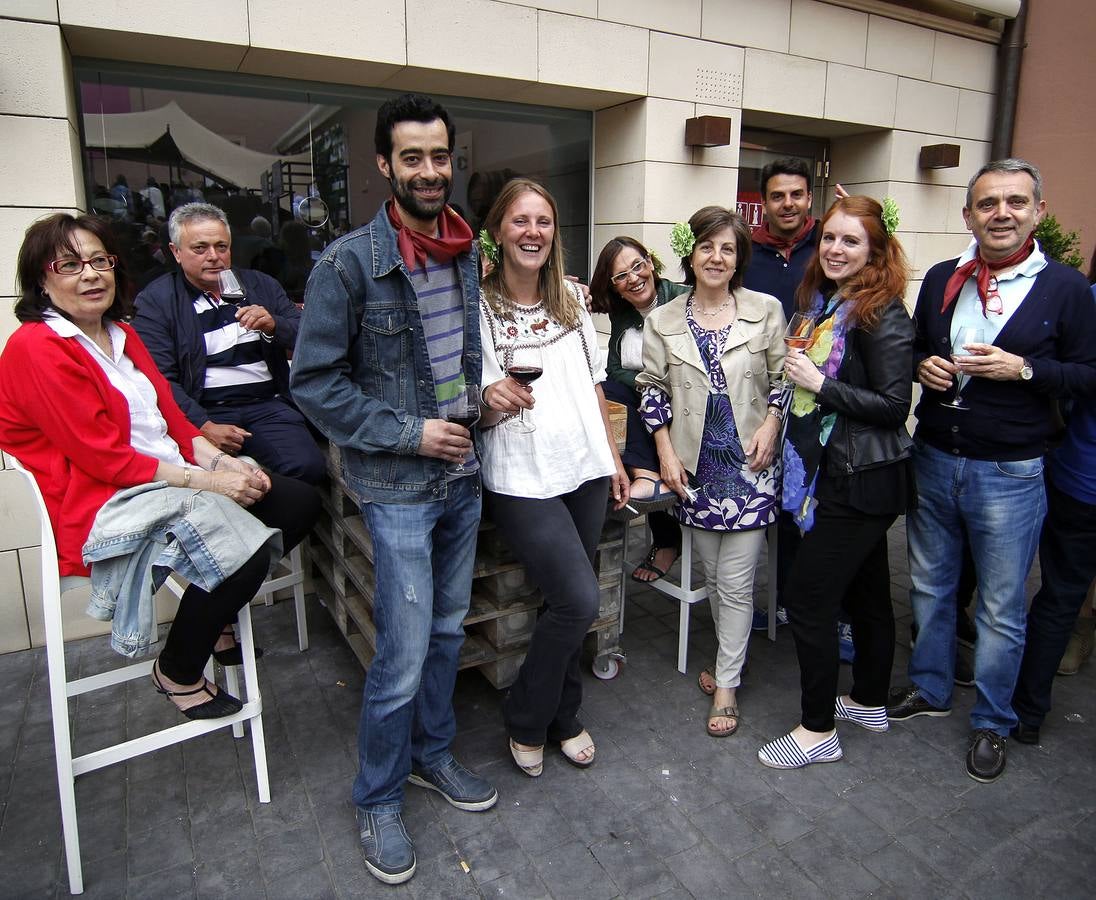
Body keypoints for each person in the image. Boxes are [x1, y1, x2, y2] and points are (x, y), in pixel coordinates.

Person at [290, 93, 497, 886]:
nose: (429, 171)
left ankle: (431, 756)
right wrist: (411, 432)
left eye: (439, 156)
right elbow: (314, 385)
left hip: (462, 475)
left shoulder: (462, 249)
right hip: (399, 483)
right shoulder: (348, 263)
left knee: (448, 632)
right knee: (404, 653)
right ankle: (376, 796)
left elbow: (450, 364)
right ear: (385, 165)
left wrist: (478, 405)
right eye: (412, 157)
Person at [0, 213, 319, 717]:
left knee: (298, 500)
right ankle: (177, 668)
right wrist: (213, 480)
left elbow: (173, 419)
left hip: (163, 476)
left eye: (100, 260)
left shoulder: (120, 333)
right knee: (247, 545)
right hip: (102, 497)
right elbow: (107, 459)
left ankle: (211, 615)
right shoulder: (37, 348)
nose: (90, 274)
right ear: (42, 279)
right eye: (69, 264)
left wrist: (224, 464)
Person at [887, 159, 1096, 783]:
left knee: (1001, 607)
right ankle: (929, 687)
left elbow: (1087, 376)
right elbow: (923, 344)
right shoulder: (943, 280)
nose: (1001, 213)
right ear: (968, 214)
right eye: (987, 203)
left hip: (1010, 471)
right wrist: (926, 365)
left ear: (1038, 211)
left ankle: (993, 721)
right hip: (935, 454)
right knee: (929, 586)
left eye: (1015, 202)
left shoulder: (1063, 289)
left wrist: (1025, 370)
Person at [756, 196, 915, 769]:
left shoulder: (881, 312)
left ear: (874, 249)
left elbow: (895, 405)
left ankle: (816, 729)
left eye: (851, 240)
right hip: (838, 472)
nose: (836, 249)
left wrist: (818, 386)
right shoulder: (828, 304)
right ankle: (870, 699)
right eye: (830, 239)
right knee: (869, 591)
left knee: (808, 597)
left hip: (860, 479)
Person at [478, 179, 628, 777]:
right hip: (519, 473)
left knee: (565, 600)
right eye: (520, 221)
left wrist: (613, 457)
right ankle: (526, 716)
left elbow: (593, 385)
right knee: (577, 598)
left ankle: (564, 717)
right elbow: (481, 409)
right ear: (497, 230)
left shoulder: (572, 300)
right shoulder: (477, 306)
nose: (533, 232)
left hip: (584, 466)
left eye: (543, 221)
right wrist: (492, 400)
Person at [636, 207, 785, 736]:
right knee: (713, 580)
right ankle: (731, 662)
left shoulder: (765, 310)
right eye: (707, 247)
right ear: (691, 254)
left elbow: (783, 379)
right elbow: (651, 387)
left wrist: (771, 425)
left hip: (749, 466)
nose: (716, 257)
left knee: (737, 582)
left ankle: (726, 685)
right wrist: (665, 452)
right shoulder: (664, 319)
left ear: (739, 257)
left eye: (728, 248)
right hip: (694, 466)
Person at [132, 202, 325, 485]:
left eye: (221, 247)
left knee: (308, 468)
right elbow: (159, 378)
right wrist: (202, 425)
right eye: (200, 248)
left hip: (265, 405)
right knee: (215, 484)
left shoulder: (261, 286)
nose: (214, 257)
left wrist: (274, 324)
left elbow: (308, 335)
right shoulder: (157, 301)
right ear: (176, 252)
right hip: (205, 408)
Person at [1009, 248, 1096, 742]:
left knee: (1058, 596)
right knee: (1060, 594)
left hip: (1078, 473)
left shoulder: (1082, 295)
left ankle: (1027, 712)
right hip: (1082, 479)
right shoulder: (1085, 298)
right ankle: (1026, 710)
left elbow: (1073, 382)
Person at [590, 237, 689, 583]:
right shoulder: (622, 314)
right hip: (645, 399)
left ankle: (666, 538)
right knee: (608, 392)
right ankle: (645, 477)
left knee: (643, 416)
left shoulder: (682, 297)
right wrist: (647, 386)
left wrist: (656, 390)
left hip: (684, 405)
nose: (633, 278)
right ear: (614, 287)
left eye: (637, 266)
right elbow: (615, 369)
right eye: (620, 276)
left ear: (650, 263)